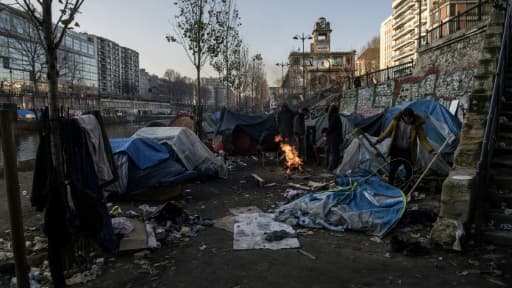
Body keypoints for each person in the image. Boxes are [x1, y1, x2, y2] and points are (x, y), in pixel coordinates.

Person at [375, 107, 436, 188]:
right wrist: (378, 140)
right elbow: (387, 133)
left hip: (408, 151)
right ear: (403, 117)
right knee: (392, 169)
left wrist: (431, 150)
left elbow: (423, 139)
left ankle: (406, 187)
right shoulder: (395, 122)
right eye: (408, 118)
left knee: (409, 169)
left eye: (411, 118)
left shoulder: (416, 125)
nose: (410, 120)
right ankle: (389, 186)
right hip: (396, 150)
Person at [326, 104, 343, 170]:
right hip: (336, 137)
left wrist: (326, 133)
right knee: (335, 152)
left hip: (334, 138)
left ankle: (333, 167)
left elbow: (331, 127)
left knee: (334, 152)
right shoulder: (336, 116)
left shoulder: (334, 117)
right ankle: (334, 166)